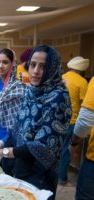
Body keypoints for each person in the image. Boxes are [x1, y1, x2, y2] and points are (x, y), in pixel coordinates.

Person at [0, 45, 72, 199]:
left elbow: (41, 147)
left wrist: (3, 153)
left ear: (53, 68)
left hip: (40, 172)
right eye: (33, 64)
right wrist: (2, 143)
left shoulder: (59, 96)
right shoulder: (30, 91)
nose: (35, 71)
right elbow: (17, 127)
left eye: (43, 66)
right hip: (21, 164)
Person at [58, 56, 89, 186]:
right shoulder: (82, 82)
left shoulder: (61, 78)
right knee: (66, 150)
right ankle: (62, 178)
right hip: (72, 120)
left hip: (58, 119)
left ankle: (55, 174)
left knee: (58, 149)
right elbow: (85, 104)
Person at [70, 76, 94, 200]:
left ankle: (62, 177)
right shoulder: (82, 82)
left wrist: (74, 143)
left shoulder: (65, 77)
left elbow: (86, 119)